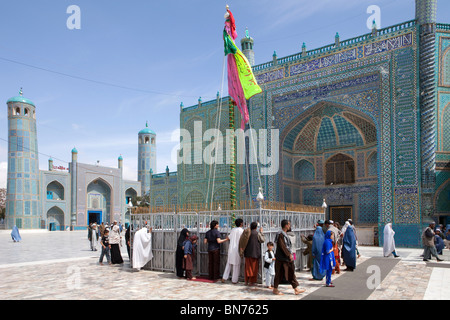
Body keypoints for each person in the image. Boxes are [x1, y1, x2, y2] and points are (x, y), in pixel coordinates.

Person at [273, 219, 305, 296]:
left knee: (291, 271)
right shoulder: (280, 234)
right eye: (289, 224)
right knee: (279, 273)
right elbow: (282, 246)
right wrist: (289, 255)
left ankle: (296, 288)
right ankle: (275, 289)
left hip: (286, 257)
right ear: (286, 225)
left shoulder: (285, 234)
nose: (290, 226)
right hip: (282, 258)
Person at [241, 222, 265, 286]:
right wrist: (261, 232)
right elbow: (262, 240)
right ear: (256, 227)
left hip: (247, 252)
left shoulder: (247, 233)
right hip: (255, 252)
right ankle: (252, 281)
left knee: (247, 267)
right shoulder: (257, 233)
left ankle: (247, 281)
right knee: (254, 268)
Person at [222, 218, 244, 284]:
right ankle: (234, 280)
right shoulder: (242, 231)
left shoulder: (233, 230)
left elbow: (228, 237)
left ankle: (224, 277)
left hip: (231, 248)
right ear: (241, 224)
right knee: (236, 265)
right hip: (237, 249)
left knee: (228, 264)